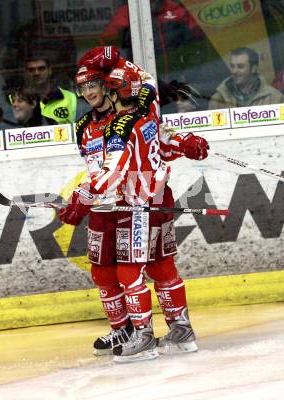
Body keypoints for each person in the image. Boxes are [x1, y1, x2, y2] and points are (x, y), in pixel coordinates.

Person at [60, 46, 209, 362]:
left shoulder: (120, 123)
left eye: (94, 84)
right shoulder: (142, 106)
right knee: (144, 267)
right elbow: (150, 96)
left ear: (109, 88)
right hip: (129, 200)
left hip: (133, 202)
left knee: (132, 270)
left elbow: (115, 168)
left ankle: (142, 336)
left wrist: (83, 197)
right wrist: (184, 143)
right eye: (82, 86)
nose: (88, 92)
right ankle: (176, 331)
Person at [209, 47, 284, 109]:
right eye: (232, 66)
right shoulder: (217, 100)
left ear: (253, 69)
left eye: (240, 66)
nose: (234, 71)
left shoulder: (275, 98)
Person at [24, 55, 77, 125]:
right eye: (31, 70)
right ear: (26, 73)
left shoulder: (70, 97)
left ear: (49, 70)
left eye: (41, 68)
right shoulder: (16, 99)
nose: (36, 73)